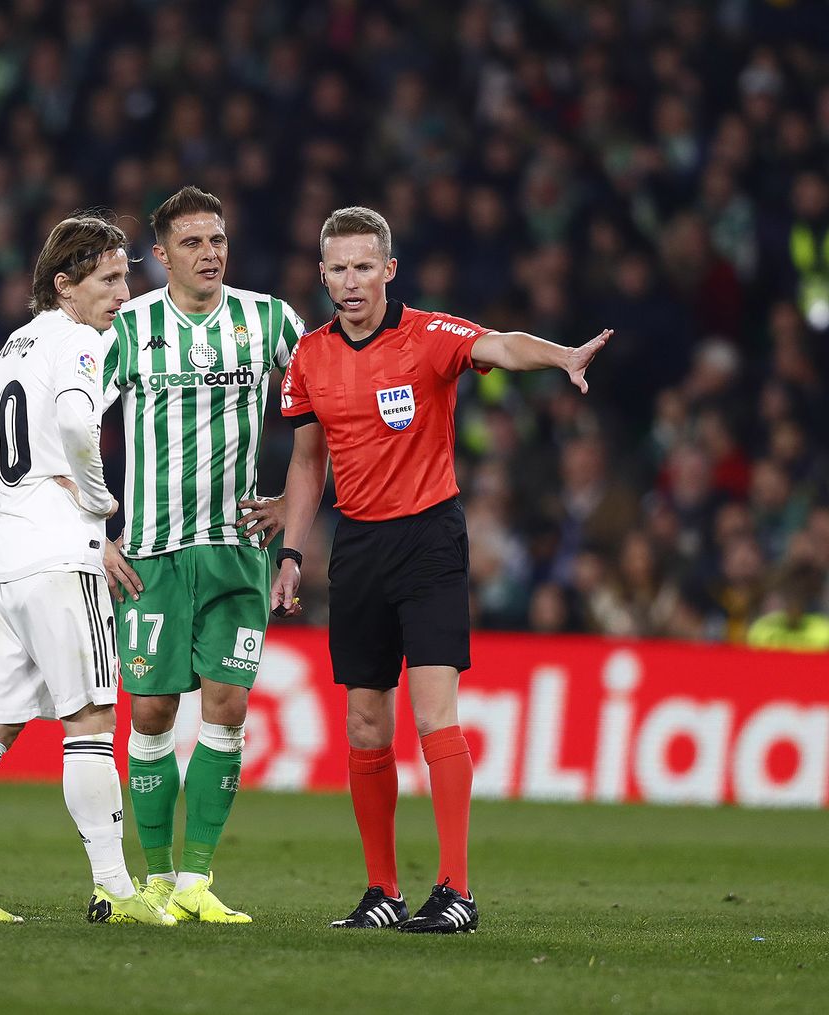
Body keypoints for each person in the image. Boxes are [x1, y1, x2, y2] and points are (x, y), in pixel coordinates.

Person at [274, 205, 611, 933]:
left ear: (389, 270)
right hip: (357, 545)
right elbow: (308, 465)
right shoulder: (308, 357)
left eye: (367, 266)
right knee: (366, 722)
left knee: (433, 714)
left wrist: (560, 356)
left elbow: (500, 344)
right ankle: (382, 893)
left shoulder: (428, 335)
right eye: (340, 267)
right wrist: (294, 552)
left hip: (429, 539)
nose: (353, 280)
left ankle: (456, 890)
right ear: (323, 273)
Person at [0, 212, 173, 927]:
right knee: (93, 721)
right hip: (58, 556)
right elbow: (77, 427)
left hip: (6, 556)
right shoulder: (77, 341)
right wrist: (97, 504)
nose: (121, 291)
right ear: (64, 284)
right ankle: (116, 888)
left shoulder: (15, 345)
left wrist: (10, 506)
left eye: (126, 274)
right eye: (106, 278)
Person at [99, 185, 299, 923]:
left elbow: (323, 405)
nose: (208, 252)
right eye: (191, 242)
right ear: (161, 256)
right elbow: (73, 419)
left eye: (216, 239)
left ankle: (196, 879)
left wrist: (292, 507)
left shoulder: (270, 320)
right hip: (149, 552)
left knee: (228, 703)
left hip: (235, 550)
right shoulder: (130, 325)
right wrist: (98, 527)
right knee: (151, 710)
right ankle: (154, 880)